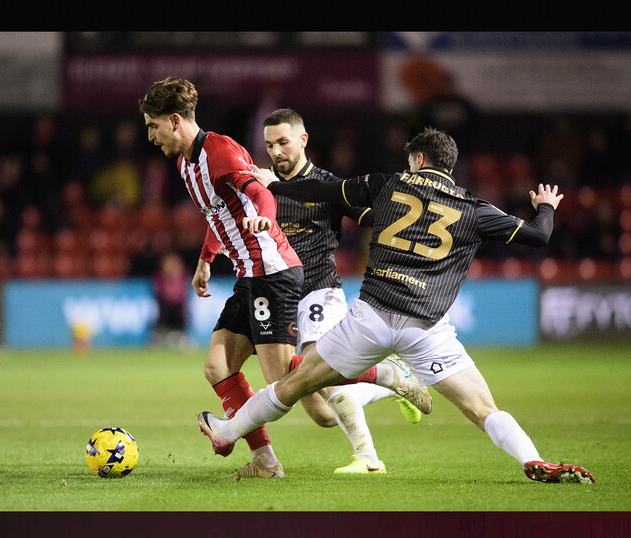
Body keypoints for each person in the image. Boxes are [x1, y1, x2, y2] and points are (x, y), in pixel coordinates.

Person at [197, 127, 596, 484]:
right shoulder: (475, 210)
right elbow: (538, 236)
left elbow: (322, 192)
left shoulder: (388, 184)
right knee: (482, 408)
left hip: (370, 317)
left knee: (292, 385)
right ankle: (534, 459)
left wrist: (274, 185)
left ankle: (227, 431)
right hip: (426, 328)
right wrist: (546, 205)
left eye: (410, 161)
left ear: (419, 160)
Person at [139, 77, 431, 480]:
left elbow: (261, 193)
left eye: (153, 126)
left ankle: (385, 374)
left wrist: (266, 218)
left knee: (282, 379)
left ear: (174, 120)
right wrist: (206, 259)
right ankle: (266, 462)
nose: (150, 135)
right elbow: (217, 213)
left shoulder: (219, 151)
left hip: (272, 270)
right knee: (217, 367)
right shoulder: (185, 164)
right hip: (249, 275)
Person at [260, 108, 424, 475]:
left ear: (303, 140)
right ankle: (391, 379)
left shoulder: (328, 185)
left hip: (320, 290)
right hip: (280, 298)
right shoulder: (262, 187)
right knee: (322, 414)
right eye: (270, 145)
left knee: (325, 368)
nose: (276, 151)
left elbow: (372, 217)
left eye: (283, 142)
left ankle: (368, 459)